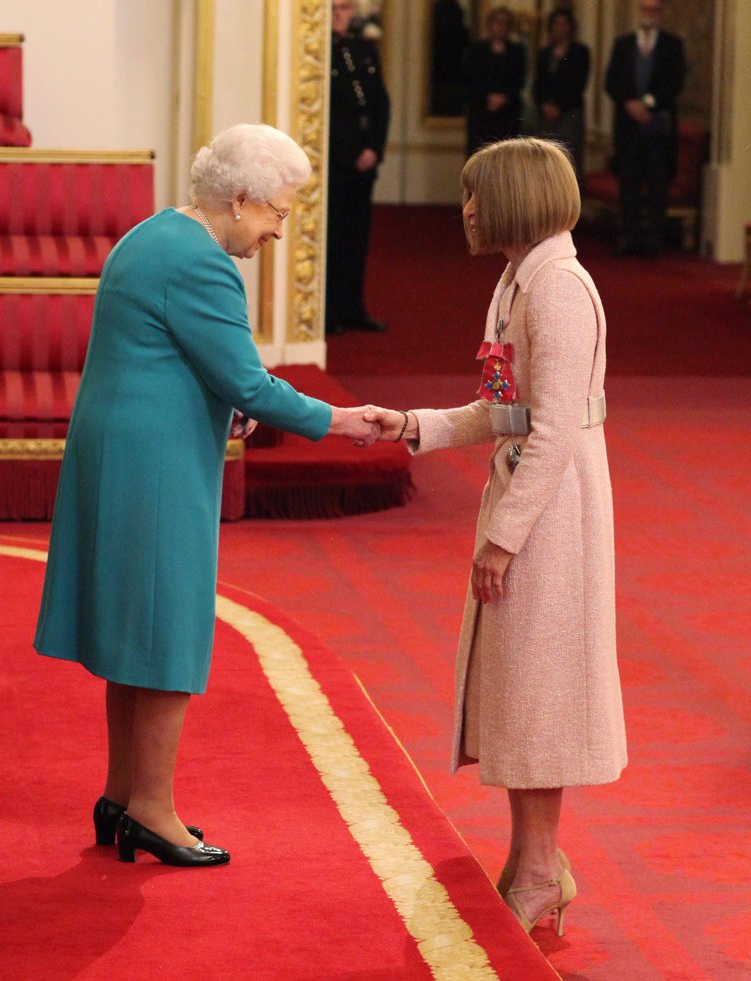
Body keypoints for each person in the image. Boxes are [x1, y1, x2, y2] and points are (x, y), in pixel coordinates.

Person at [33, 123, 380, 868]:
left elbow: (176, 355)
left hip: (119, 446)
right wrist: (341, 419)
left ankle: (122, 795)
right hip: (156, 460)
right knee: (166, 630)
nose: (278, 231)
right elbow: (247, 380)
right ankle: (152, 811)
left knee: (132, 629)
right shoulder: (204, 264)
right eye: (278, 213)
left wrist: (231, 401)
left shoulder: (154, 234)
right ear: (241, 197)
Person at [364, 138, 627, 935]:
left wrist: (504, 538)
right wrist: (412, 424)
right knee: (519, 684)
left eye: (476, 194)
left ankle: (541, 871)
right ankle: (533, 860)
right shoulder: (518, 280)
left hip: (554, 507)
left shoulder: (559, 289)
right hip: (528, 496)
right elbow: (500, 409)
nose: (467, 209)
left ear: (515, 198)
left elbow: (553, 432)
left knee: (540, 686)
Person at [326, 0, 391, 335]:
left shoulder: (365, 50)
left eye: (345, 8)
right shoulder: (320, 54)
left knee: (357, 238)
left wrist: (374, 149)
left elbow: (380, 103)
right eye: (334, 8)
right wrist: (351, 152)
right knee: (333, 237)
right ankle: (329, 311)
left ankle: (353, 307)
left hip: (365, 162)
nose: (339, 14)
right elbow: (328, 113)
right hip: (337, 162)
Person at [605, 0, 685, 257]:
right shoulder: (623, 44)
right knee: (628, 182)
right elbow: (611, 82)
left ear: (660, 12)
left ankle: (653, 239)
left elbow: (676, 83)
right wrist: (629, 103)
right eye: (645, 9)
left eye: (653, 9)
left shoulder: (672, 45)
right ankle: (629, 236)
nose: (649, 14)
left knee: (657, 183)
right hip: (628, 127)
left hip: (657, 126)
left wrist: (648, 103)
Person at [532, 7, 590, 184]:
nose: (559, 28)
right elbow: (538, 83)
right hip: (545, 115)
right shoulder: (544, 54)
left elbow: (579, 84)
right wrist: (543, 105)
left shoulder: (580, 52)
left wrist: (560, 107)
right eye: (556, 24)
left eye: (563, 24)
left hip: (569, 113)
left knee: (568, 161)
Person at [462, 5, 526, 156]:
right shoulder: (476, 50)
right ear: (490, 24)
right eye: (497, 22)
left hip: (508, 112)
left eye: (505, 23)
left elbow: (518, 79)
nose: (500, 27)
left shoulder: (517, 51)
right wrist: (488, 97)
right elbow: (470, 78)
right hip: (481, 110)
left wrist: (504, 98)